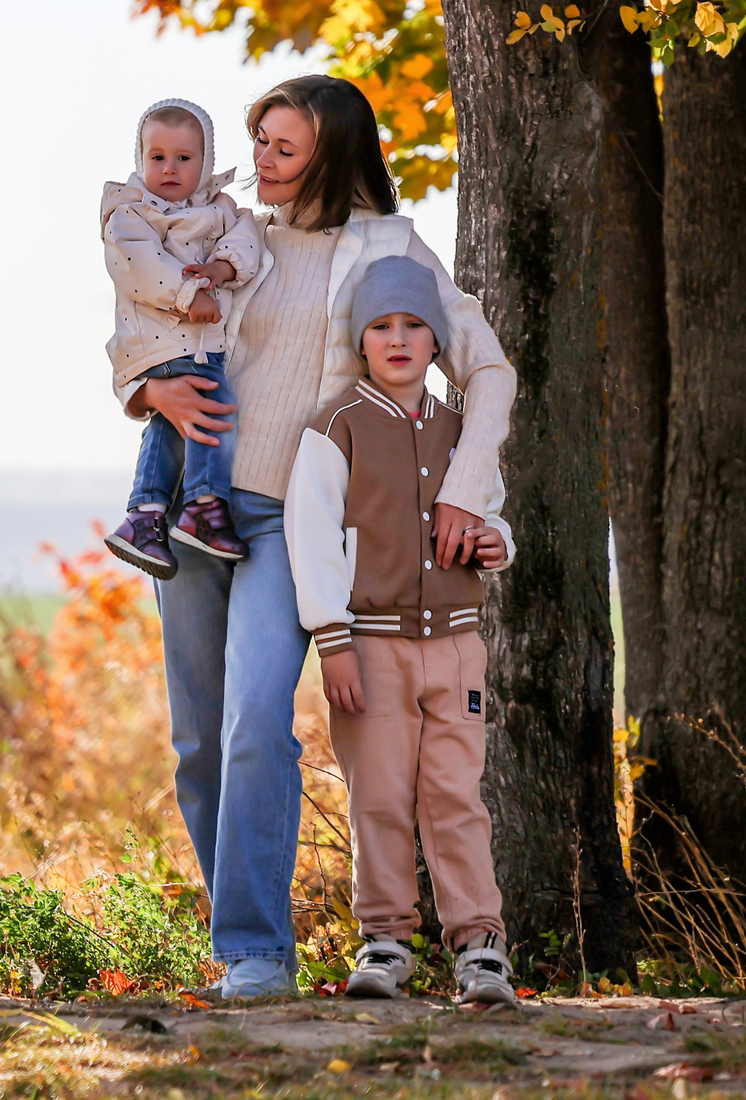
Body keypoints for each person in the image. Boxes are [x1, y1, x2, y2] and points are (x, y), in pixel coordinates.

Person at [123, 74, 515, 999]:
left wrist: (465, 493)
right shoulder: (226, 229)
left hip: (286, 526)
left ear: (330, 153)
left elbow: (488, 369)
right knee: (198, 742)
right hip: (189, 502)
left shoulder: (389, 248)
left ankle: (256, 952)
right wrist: (147, 390)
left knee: (257, 721)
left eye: (281, 146)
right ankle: (245, 947)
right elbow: (135, 321)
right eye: (257, 139)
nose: (257, 160)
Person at [288, 256, 520, 1007]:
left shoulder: (464, 431)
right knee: (380, 796)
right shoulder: (336, 428)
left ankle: (480, 944)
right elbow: (312, 536)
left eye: (413, 325)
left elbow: (492, 512)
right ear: (361, 340)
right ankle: (385, 938)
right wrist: (333, 638)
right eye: (381, 326)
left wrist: (496, 543)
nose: (397, 338)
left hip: (456, 648)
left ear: (435, 341)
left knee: (456, 795)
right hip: (372, 646)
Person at [101, 99, 263, 579]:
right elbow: (138, 266)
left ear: (206, 162)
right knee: (210, 412)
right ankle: (203, 505)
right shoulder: (130, 213)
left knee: (175, 423)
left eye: (184, 159)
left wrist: (221, 267)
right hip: (159, 341)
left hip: (201, 344)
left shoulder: (220, 208)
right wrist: (190, 292)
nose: (169, 169)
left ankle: (145, 515)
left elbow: (246, 241)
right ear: (140, 159)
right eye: (157, 157)